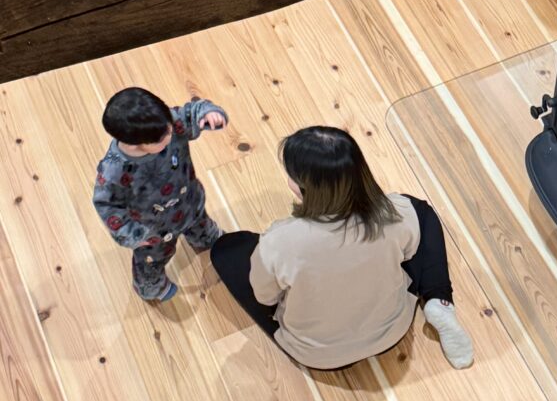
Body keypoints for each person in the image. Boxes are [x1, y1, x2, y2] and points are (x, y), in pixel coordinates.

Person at [211, 126, 474, 370]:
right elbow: (411, 245)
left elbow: (265, 297)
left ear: (303, 187)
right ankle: (439, 300)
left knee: (228, 249)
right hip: (391, 330)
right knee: (421, 213)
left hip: (318, 355)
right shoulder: (395, 212)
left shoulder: (278, 242)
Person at [93, 87, 228, 302]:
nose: (171, 132)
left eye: (169, 126)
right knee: (152, 261)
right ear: (133, 145)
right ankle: (150, 286)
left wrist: (207, 113)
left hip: (189, 201)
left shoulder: (165, 124)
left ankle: (205, 239)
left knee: (200, 223)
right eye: (162, 137)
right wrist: (134, 235)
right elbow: (107, 205)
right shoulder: (115, 171)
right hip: (153, 229)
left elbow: (190, 112)